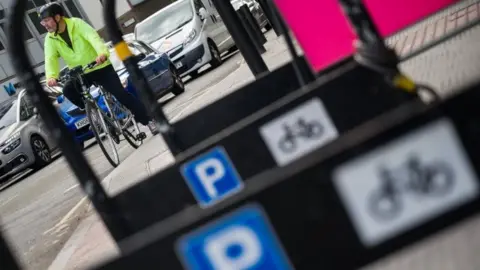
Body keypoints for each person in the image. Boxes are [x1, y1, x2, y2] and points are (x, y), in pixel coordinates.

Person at [39, 2, 153, 129]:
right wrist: (51, 76)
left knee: (121, 95)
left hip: (100, 67)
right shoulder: (50, 39)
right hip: (80, 74)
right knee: (68, 90)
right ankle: (93, 112)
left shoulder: (77, 24)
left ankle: (149, 119)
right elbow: (50, 58)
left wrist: (102, 54)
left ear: (58, 17)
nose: (45, 25)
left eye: (47, 20)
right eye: (43, 22)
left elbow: (93, 38)